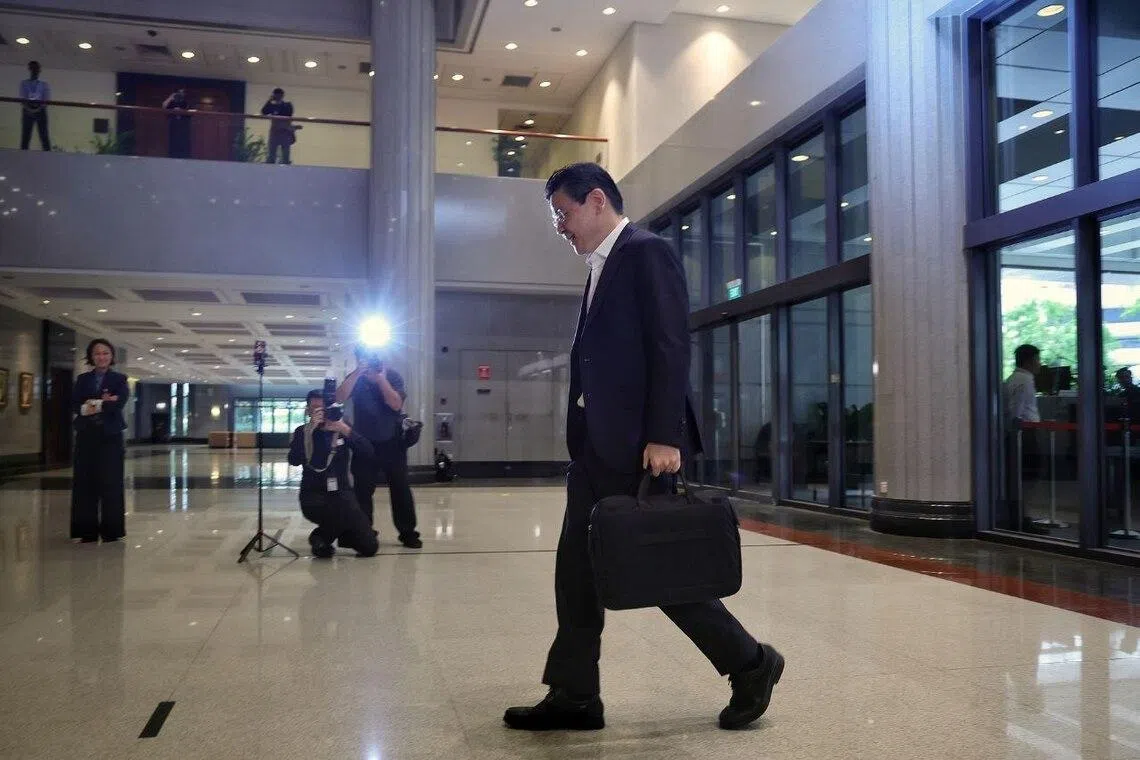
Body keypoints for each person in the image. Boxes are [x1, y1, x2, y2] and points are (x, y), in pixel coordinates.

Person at [504, 163, 784, 732]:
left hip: (638, 447)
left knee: (657, 569)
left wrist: (664, 435)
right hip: (596, 451)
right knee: (576, 575)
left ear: (597, 200)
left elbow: (670, 345)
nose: (561, 225)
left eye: (564, 211)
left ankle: (751, 663)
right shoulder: (599, 266)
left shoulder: (644, 252)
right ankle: (575, 695)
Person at [335, 346, 422, 548]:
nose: (369, 360)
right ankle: (365, 531)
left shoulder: (392, 376)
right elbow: (339, 397)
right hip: (364, 443)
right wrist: (358, 372)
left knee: (400, 488)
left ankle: (408, 532)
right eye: (363, 357)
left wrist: (381, 379)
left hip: (393, 443)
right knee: (362, 490)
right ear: (358, 358)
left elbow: (395, 404)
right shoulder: (355, 378)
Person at [288, 390, 379, 558]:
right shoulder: (302, 431)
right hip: (314, 496)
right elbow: (293, 460)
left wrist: (344, 429)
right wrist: (310, 431)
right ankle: (326, 536)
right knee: (345, 514)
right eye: (314, 407)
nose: (319, 411)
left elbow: (368, 451)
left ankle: (323, 536)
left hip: (342, 494)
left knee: (369, 547)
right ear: (308, 410)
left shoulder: (342, 428)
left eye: (322, 407)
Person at [71, 339, 129, 543]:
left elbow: (118, 404)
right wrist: (104, 402)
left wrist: (92, 404)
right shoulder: (82, 379)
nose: (101, 357)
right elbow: (76, 406)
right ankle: (86, 530)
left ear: (112, 356)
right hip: (86, 436)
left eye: (105, 353)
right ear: (91, 357)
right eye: (97, 353)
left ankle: (111, 531)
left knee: (111, 484)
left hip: (110, 437)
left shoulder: (120, 379)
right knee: (84, 483)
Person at [1002, 344, 1044, 532]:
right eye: (1037, 359)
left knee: (1023, 476)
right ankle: (1023, 517)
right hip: (1024, 433)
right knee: (1028, 476)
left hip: (1020, 432)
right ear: (1029, 361)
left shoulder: (1012, 378)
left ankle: (1020, 515)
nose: (1040, 364)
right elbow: (1016, 409)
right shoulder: (1024, 379)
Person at [19, 61, 51, 151]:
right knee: (26, 135)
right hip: (27, 111)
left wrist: (37, 109)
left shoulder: (44, 84)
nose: (34, 71)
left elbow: (46, 100)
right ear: (29, 69)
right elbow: (22, 98)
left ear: (39, 70)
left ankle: (48, 156)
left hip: (40, 111)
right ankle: (22, 155)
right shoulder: (24, 83)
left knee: (44, 135)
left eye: (36, 68)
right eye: (32, 68)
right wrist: (29, 109)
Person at [261, 88, 296, 165]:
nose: (277, 97)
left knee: (285, 156)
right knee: (271, 155)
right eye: (276, 95)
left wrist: (277, 106)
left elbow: (288, 114)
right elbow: (263, 112)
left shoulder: (287, 105)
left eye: (279, 95)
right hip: (275, 132)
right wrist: (269, 100)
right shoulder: (272, 106)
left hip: (285, 132)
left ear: (282, 96)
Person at [162, 88, 192, 159]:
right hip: (173, 124)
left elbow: (191, 111)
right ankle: (172, 156)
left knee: (183, 141)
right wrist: (170, 97)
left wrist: (181, 111)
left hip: (183, 125)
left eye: (182, 92)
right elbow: (164, 106)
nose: (181, 94)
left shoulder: (186, 102)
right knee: (172, 140)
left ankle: (184, 157)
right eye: (179, 92)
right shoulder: (172, 101)